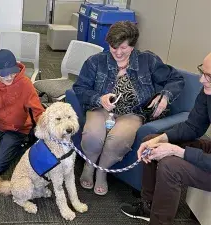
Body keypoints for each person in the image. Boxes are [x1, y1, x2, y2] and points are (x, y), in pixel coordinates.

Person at [73, 21, 184, 196]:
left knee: (118, 140)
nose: (118, 52)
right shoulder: (95, 61)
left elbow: (176, 78)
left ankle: (102, 170)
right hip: (100, 109)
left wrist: (166, 95)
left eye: (123, 48)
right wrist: (98, 98)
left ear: (132, 45)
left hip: (133, 113)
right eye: (113, 47)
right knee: (93, 136)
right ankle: (89, 165)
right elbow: (79, 88)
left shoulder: (147, 60)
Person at [120, 52, 211, 225]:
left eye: (209, 76)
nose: (202, 80)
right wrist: (161, 139)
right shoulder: (208, 92)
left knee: (171, 166)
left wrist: (179, 152)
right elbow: (192, 126)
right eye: (203, 72)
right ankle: (149, 205)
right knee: (152, 140)